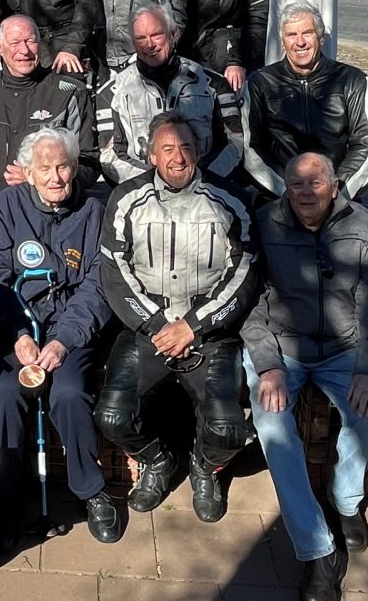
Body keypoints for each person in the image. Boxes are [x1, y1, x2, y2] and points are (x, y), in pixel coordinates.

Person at [241, 152, 368, 601]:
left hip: (343, 349)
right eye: (297, 184)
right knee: (272, 425)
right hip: (283, 349)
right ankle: (317, 550)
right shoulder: (265, 223)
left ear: (336, 185)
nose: (307, 192)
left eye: (316, 182)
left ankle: (344, 501)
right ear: (286, 187)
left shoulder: (361, 223)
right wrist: (267, 365)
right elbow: (249, 299)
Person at [96, 112, 257, 524]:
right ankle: (158, 462)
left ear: (199, 150)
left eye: (186, 147)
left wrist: (194, 325)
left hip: (210, 333)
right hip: (147, 329)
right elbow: (114, 271)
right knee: (112, 416)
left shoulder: (231, 200)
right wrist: (156, 326)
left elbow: (245, 272)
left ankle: (205, 468)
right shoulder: (125, 200)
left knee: (228, 429)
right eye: (167, 149)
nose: (178, 157)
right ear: (151, 155)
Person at [0, 127, 122, 546]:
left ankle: (89, 489)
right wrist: (20, 336)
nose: (56, 177)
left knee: (69, 393)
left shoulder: (94, 212)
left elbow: (98, 285)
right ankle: (8, 493)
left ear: (75, 168)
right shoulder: (6, 206)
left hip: (70, 330)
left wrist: (62, 341)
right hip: (18, 326)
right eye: (45, 169)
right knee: (6, 392)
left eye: (63, 167)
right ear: (27, 171)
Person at [242, 0, 368, 200]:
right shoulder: (259, 83)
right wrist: (290, 193)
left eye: (307, 33)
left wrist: (335, 192)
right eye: (291, 35)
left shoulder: (353, 81)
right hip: (280, 196)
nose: (300, 42)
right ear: (282, 41)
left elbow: (366, 145)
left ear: (321, 38)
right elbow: (251, 147)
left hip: (338, 196)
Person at [96, 3, 242, 185]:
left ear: (174, 34)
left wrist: (200, 179)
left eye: (156, 35)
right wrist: (150, 185)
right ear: (133, 42)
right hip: (141, 193)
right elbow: (110, 155)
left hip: (206, 187)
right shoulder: (111, 92)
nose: (149, 45)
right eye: (141, 38)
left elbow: (234, 143)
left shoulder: (213, 84)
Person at [0, 15, 99, 204]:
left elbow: (89, 162)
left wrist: (40, 180)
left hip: (53, 209)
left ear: (40, 44)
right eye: (15, 42)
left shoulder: (69, 93)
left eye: (30, 41)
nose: (24, 50)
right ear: (0, 48)